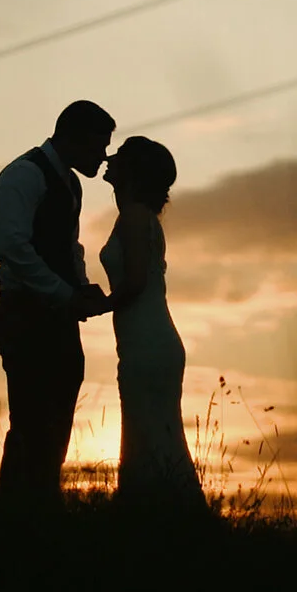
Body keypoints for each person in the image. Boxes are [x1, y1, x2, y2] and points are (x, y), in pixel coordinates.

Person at [0, 100, 114, 503]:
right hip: (24, 316)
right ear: (74, 137)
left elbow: (67, 245)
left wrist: (79, 285)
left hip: (57, 318)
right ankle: (19, 510)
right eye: (99, 145)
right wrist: (66, 294)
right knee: (28, 420)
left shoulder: (69, 183)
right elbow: (11, 247)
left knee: (57, 417)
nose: (104, 156)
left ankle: (42, 502)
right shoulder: (23, 176)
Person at [99, 136, 205, 513]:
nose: (109, 160)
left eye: (120, 157)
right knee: (154, 431)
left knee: (150, 432)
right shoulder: (142, 217)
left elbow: (137, 281)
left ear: (132, 172)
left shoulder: (133, 216)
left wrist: (98, 304)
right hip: (149, 337)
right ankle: (162, 515)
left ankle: (156, 514)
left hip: (147, 340)